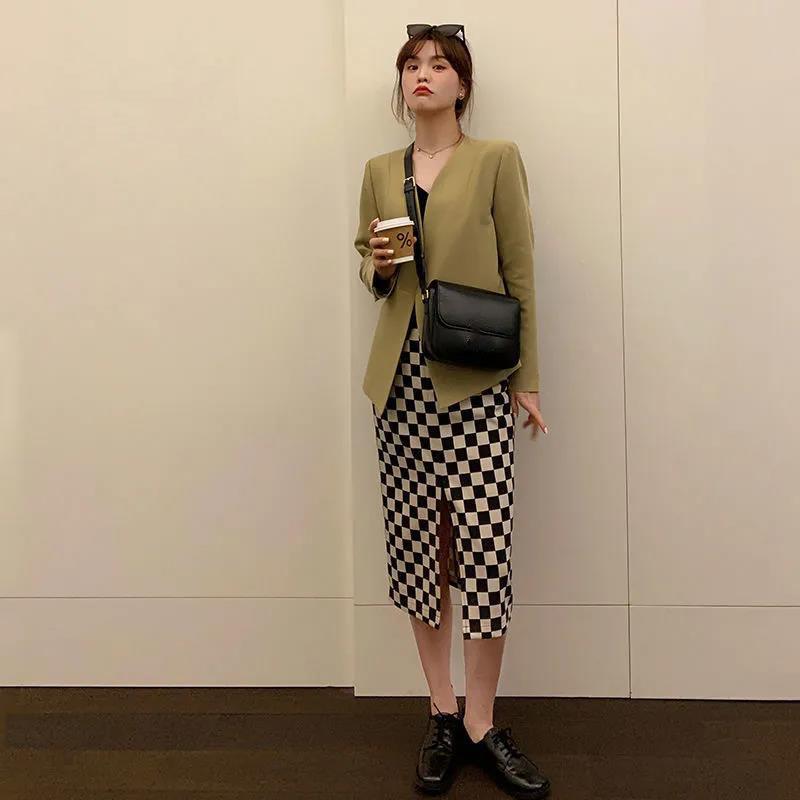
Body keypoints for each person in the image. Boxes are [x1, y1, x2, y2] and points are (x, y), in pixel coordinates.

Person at [353, 23, 551, 799]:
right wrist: (377, 266)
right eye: (412, 63)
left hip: (473, 381)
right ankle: (441, 710)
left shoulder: (496, 159)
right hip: (400, 385)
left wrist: (527, 380)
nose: (422, 74)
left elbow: (519, 270)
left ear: (462, 85)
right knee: (418, 550)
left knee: (484, 550)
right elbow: (372, 271)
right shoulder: (379, 171)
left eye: (439, 64)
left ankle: (481, 721)